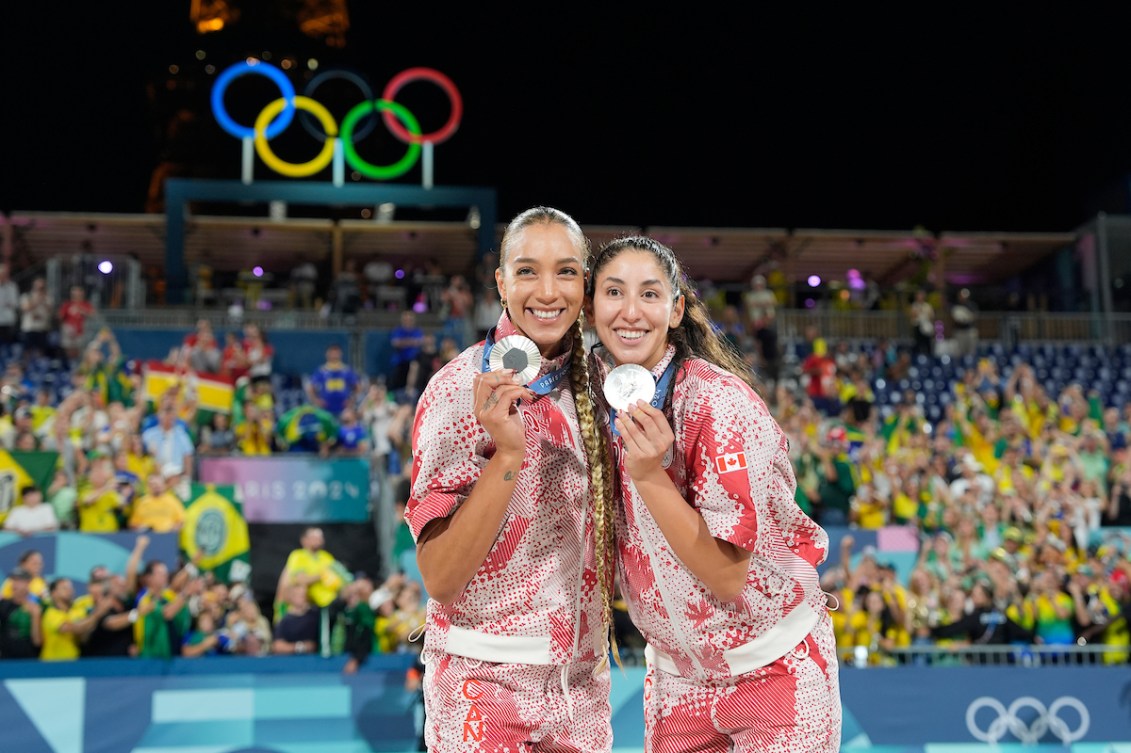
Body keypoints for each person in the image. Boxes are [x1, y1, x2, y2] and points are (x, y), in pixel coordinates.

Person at [587, 235, 841, 752]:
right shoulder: (591, 396)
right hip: (679, 683)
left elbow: (727, 576)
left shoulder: (718, 403)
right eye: (613, 292)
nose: (630, 311)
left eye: (649, 294)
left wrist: (650, 475)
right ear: (592, 306)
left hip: (774, 671)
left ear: (676, 309)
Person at [405, 206, 613, 752]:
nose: (548, 291)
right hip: (482, 686)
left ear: (585, 284)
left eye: (566, 271)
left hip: (582, 689)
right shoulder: (457, 391)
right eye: (527, 271)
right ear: (500, 283)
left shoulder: (606, 387)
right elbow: (442, 578)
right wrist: (507, 455)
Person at [306, 342, 360, 418]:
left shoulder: (346, 370)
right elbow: (310, 388)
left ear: (340, 355)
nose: (334, 356)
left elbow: (357, 387)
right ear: (327, 355)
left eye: (336, 354)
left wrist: (352, 400)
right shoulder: (322, 370)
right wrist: (317, 401)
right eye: (332, 354)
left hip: (343, 409)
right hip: (326, 409)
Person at [0, 568, 42, 658]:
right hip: (5, 661)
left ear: (28, 583)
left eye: (18, 581)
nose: (14, 584)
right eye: (12, 580)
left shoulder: (37, 606)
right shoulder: (3, 605)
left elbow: (37, 641)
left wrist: (35, 616)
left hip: (28, 660)